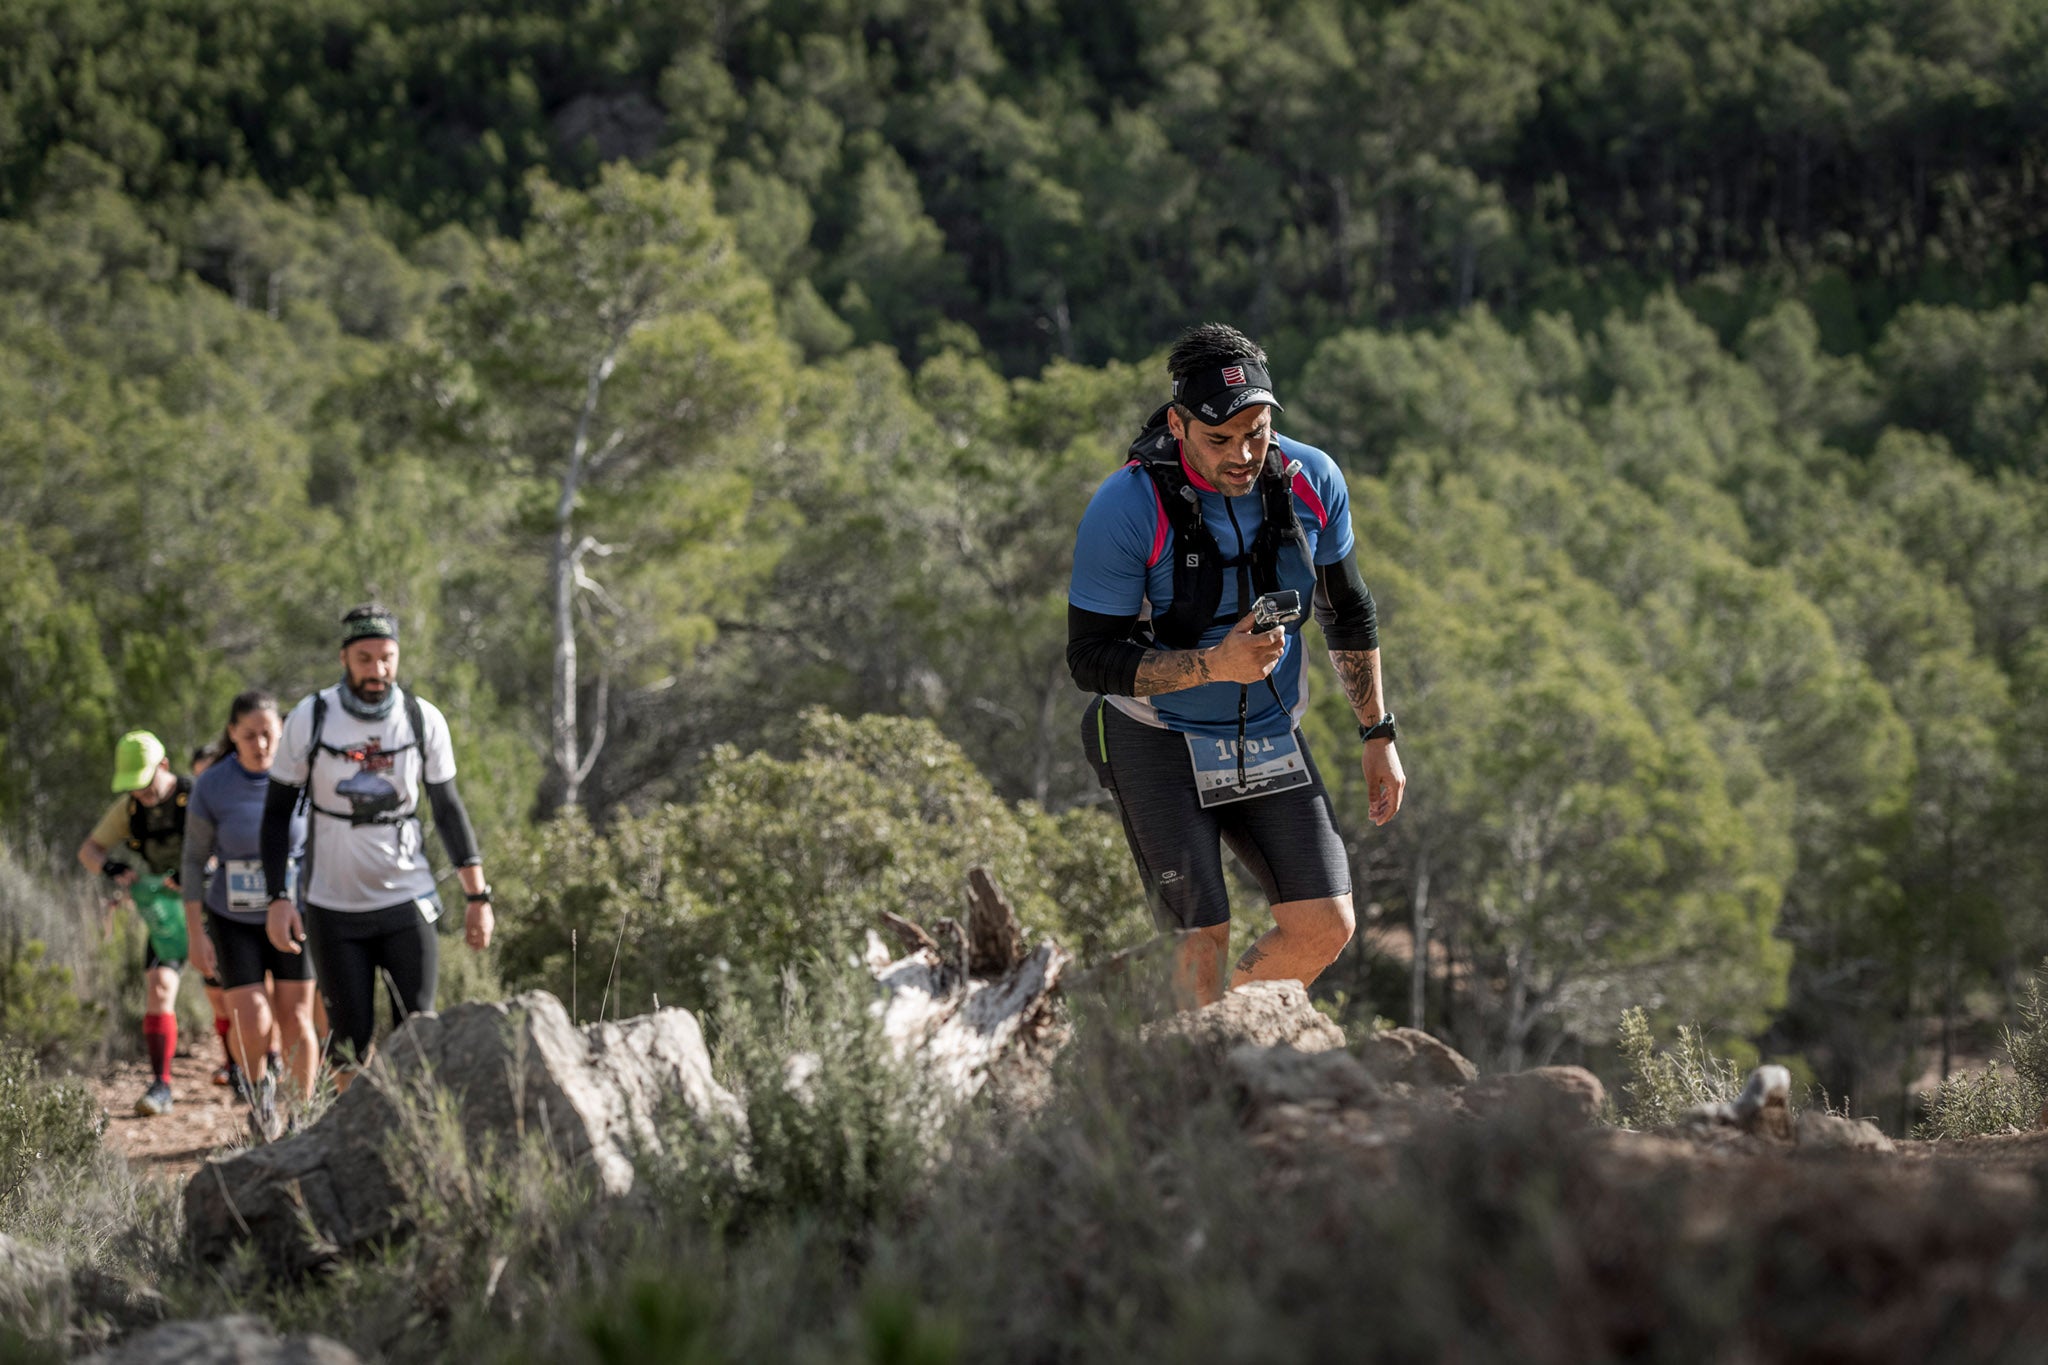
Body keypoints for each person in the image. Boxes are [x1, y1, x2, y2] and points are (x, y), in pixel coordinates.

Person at [1066, 323, 1406, 1006]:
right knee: (1200, 938)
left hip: (1267, 733)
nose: (1243, 455)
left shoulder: (1313, 480)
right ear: (1179, 424)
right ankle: (1185, 1076)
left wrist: (1377, 732)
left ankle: (1242, 1038)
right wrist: (1213, 665)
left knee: (1325, 924)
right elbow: (1090, 659)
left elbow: (1347, 612)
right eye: (1219, 439)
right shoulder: (1126, 507)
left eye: (1256, 433)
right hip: (1154, 736)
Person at [260, 603, 495, 1086]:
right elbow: (276, 814)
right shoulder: (312, 717)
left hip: (406, 898)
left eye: (387, 657)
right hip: (332, 905)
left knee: (419, 1033)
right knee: (349, 1041)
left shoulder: (420, 718)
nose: (377, 670)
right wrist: (278, 899)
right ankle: (353, 1149)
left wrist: (478, 897)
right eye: (364, 658)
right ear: (344, 658)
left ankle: (420, 1144)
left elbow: (449, 810)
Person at [182, 691, 319, 1140]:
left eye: (268, 735)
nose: (260, 745)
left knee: (296, 1018)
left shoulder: (304, 778)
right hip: (232, 918)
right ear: (232, 735)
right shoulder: (213, 784)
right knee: (251, 1018)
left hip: (294, 915)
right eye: (250, 736)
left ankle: (302, 1113)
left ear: (282, 733)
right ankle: (261, 1095)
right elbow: (193, 860)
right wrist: (194, 933)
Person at [76, 731, 195, 1116]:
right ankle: (161, 1085)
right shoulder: (128, 810)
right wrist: (112, 867)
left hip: (211, 905)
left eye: (145, 782)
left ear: (164, 766)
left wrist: (197, 873)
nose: (140, 792)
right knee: (159, 986)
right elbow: (89, 851)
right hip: (166, 915)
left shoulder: (197, 796)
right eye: (133, 785)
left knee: (225, 994)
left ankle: (243, 1069)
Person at [187, 742, 247, 1093]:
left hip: (247, 912)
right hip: (211, 915)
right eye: (199, 778)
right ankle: (234, 1063)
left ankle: (267, 1058)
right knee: (218, 996)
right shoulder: (196, 808)